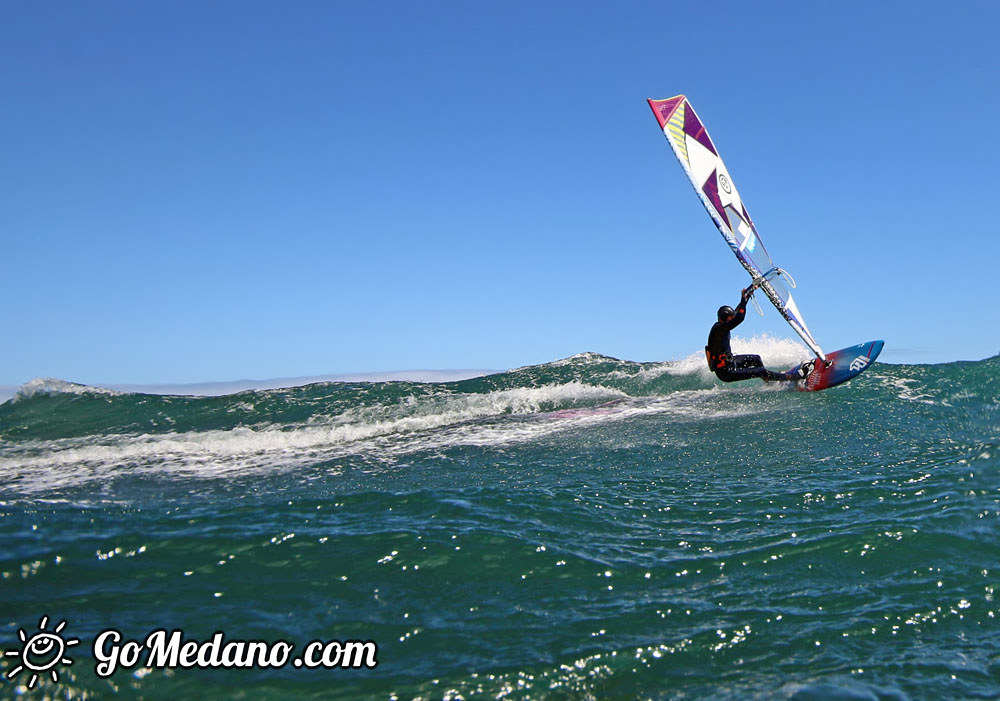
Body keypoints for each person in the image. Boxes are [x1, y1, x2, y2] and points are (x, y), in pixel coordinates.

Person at [705, 286, 812, 383]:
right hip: (726, 372)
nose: (732, 319)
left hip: (731, 362)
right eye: (730, 318)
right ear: (723, 319)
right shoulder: (718, 329)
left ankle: (768, 379)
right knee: (760, 371)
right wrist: (743, 300)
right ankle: (792, 377)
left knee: (756, 359)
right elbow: (739, 318)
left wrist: (746, 297)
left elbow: (737, 313)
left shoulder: (723, 325)